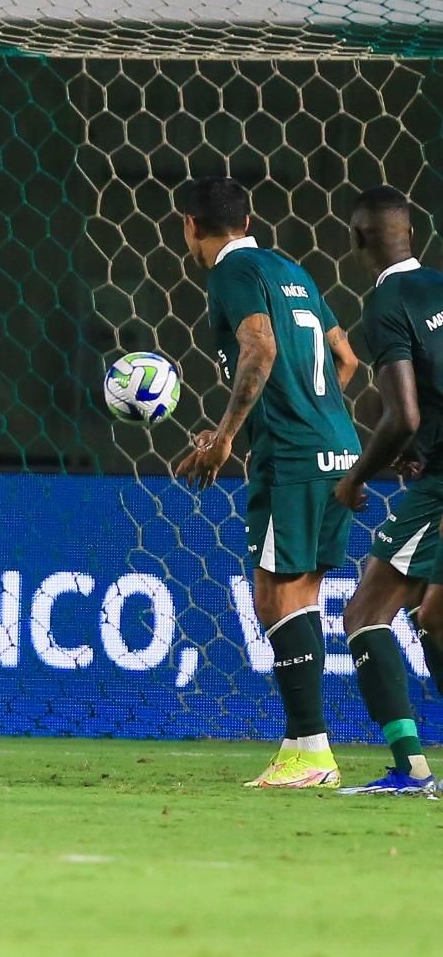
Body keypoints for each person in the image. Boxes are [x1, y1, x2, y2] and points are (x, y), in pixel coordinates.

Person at [173, 176, 360, 790]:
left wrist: (228, 435)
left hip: (291, 456)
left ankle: (310, 753)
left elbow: (259, 348)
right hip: (338, 444)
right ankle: (303, 748)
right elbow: (346, 359)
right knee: (299, 592)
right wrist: (309, 412)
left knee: (274, 595)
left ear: (191, 227)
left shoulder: (229, 272)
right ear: (247, 220)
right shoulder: (289, 268)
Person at [333, 187, 443, 795]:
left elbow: (401, 414)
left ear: (357, 239)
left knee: (365, 613)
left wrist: (355, 478)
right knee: (435, 620)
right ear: (413, 234)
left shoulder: (385, 305)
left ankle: (410, 768)